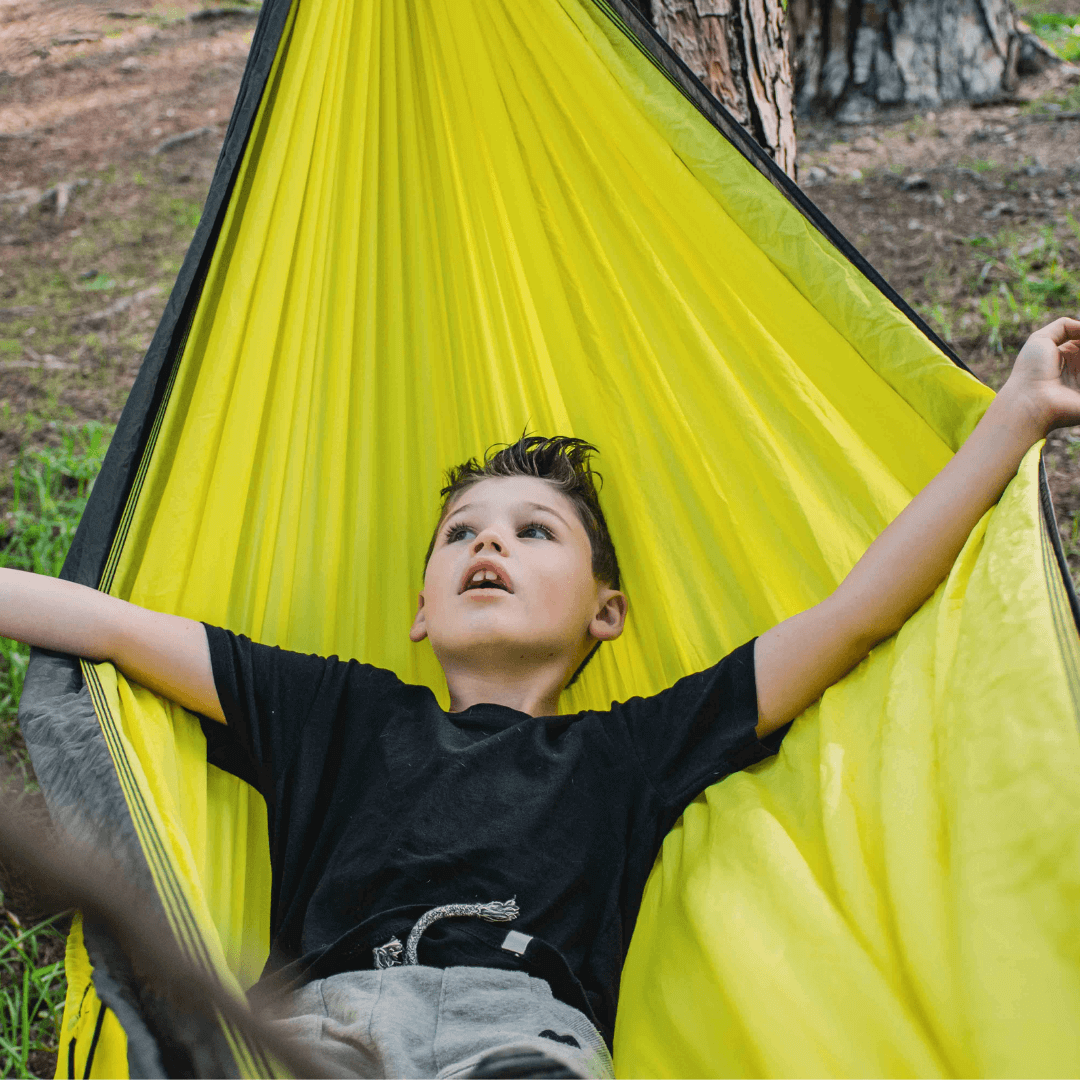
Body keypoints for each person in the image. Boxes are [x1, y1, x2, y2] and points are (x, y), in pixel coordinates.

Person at [3, 318, 1079, 1079]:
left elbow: (852, 616)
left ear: (605, 613)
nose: (489, 545)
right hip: (325, 1029)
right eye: (462, 533)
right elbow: (109, 626)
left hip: (522, 1038)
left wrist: (1017, 414)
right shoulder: (332, 711)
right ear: (421, 609)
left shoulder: (638, 749)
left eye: (533, 532)